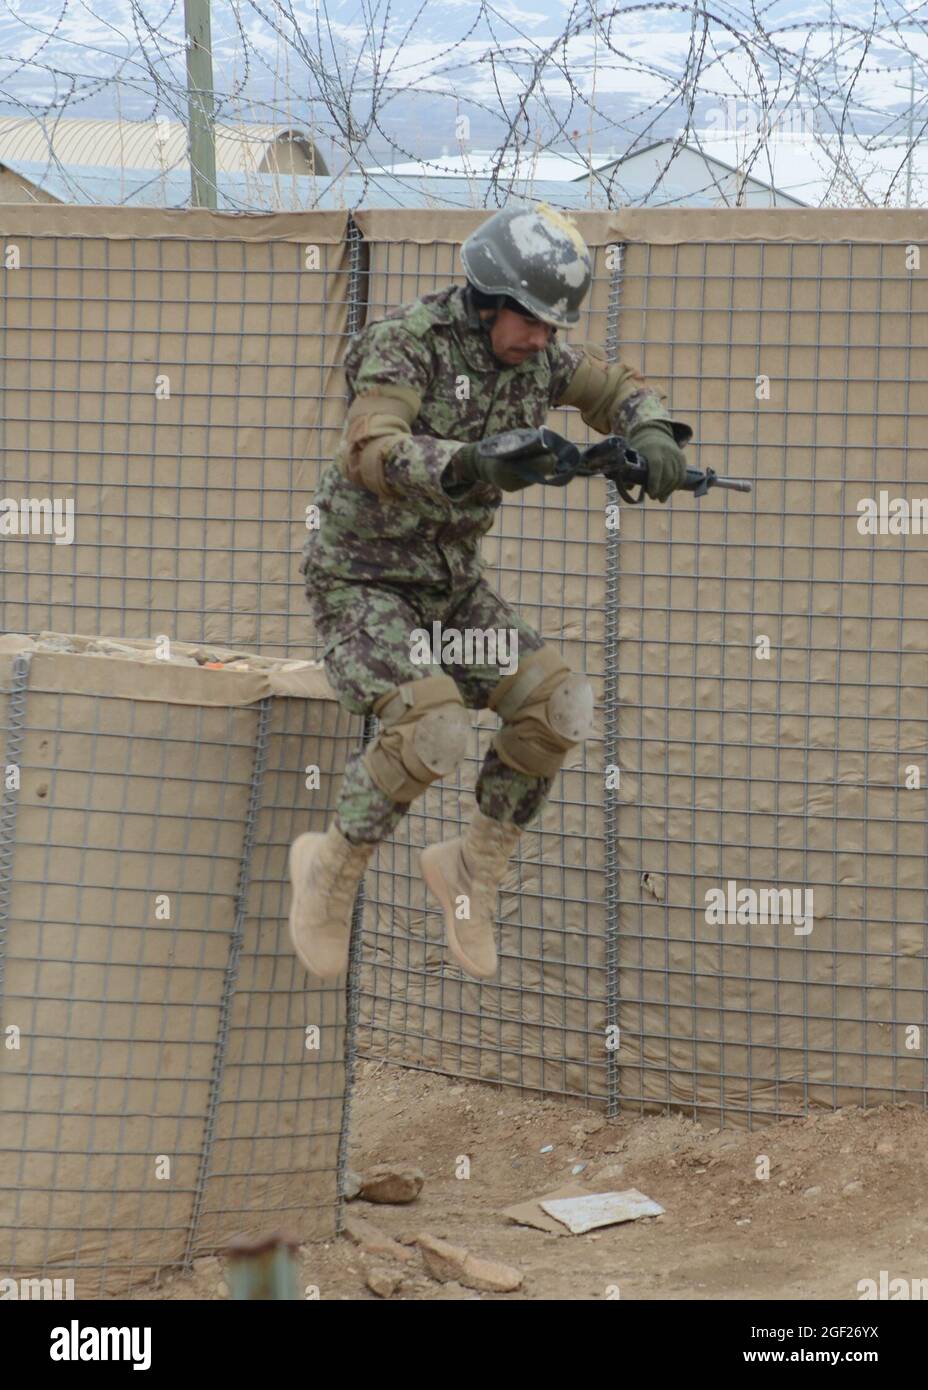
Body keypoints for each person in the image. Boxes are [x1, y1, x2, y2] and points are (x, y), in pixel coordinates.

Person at [291, 202, 692, 983]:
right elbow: (371, 447)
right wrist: (469, 464)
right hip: (363, 580)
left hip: (451, 590)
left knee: (560, 706)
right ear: (488, 296)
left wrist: (652, 436)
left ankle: (468, 873)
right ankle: (328, 872)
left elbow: (616, 388)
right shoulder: (407, 343)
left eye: (553, 326)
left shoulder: (539, 360)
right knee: (432, 726)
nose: (545, 339)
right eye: (533, 321)